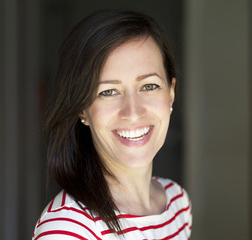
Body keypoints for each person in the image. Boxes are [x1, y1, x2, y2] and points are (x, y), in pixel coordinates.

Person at [32, 10, 192, 240]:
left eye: (149, 86)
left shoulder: (178, 203)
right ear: (82, 109)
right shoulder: (67, 229)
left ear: (171, 93)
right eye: (108, 91)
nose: (133, 111)